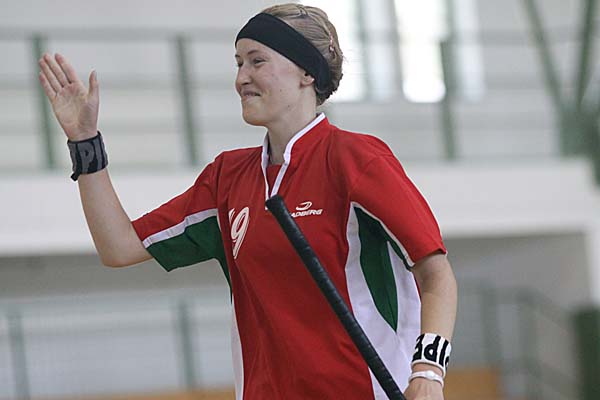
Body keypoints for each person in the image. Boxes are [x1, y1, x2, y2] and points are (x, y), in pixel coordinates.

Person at [38, 3, 457, 400]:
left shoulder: (356, 160)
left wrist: (428, 371)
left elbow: (436, 274)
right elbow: (118, 247)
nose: (241, 78)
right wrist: (84, 142)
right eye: (238, 63)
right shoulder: (228, 178)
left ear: (306, 72)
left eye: (257, 61)